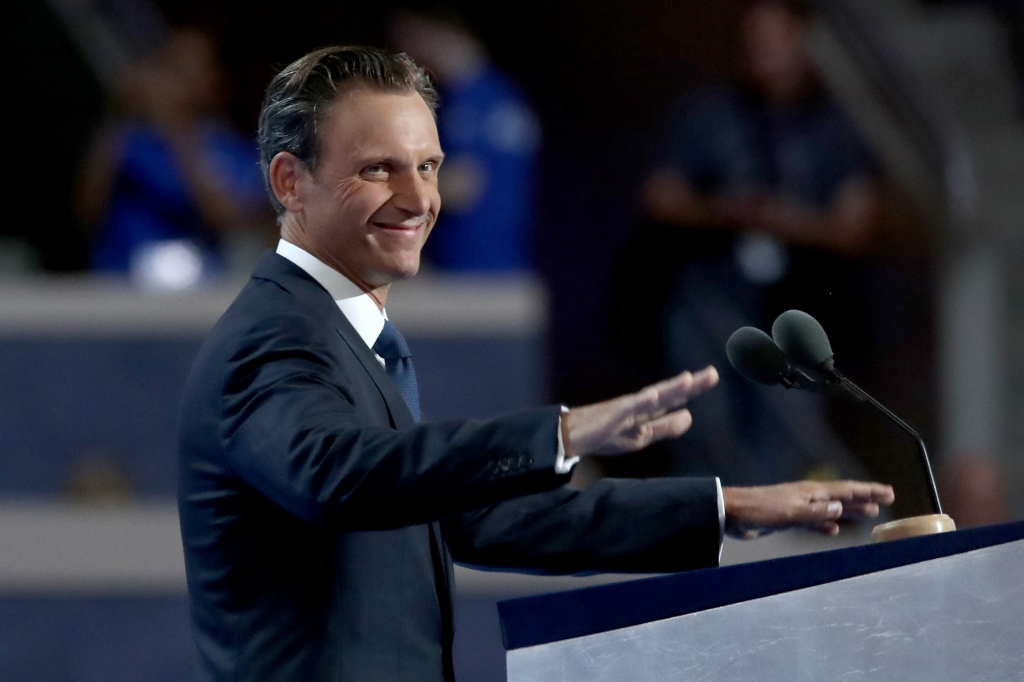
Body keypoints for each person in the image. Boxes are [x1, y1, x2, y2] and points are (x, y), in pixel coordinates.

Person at [177, 46, 895, 682]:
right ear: (289, 181)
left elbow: (473, 522)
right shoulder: (272, 338)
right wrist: (563, 436)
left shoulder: (344, 336)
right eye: (378, 169)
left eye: (428, 166)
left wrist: (726, 507)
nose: (419, 198)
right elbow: (340, 477)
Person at [616, 0, 879, 485]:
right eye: (756, 44)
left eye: (778, 43)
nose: (767, 56)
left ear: (804, 45)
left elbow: (854, 226)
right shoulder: (709, 115)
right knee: (705, 423)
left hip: (798, 304)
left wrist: (784, 220)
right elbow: (660, 196)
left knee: (788, 429)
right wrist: (724, 211)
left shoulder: (834, 127)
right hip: (709, 295)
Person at [76, 29, 269, 285]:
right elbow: (85, 211)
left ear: (214, 80)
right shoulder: (130, 140)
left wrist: (175, 127)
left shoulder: (233, 148)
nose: (178, 81)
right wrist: (117, 113)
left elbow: (224, 217)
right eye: (173, 67)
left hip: (196, 290)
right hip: (119, 284)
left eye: (193, 67)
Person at [389, 10, 540, 272]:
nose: (407, 54)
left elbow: (462, 187)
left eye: (409, 39)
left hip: (477, 270)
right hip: (497, 264)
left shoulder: (475, 102)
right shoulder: (499, 95)